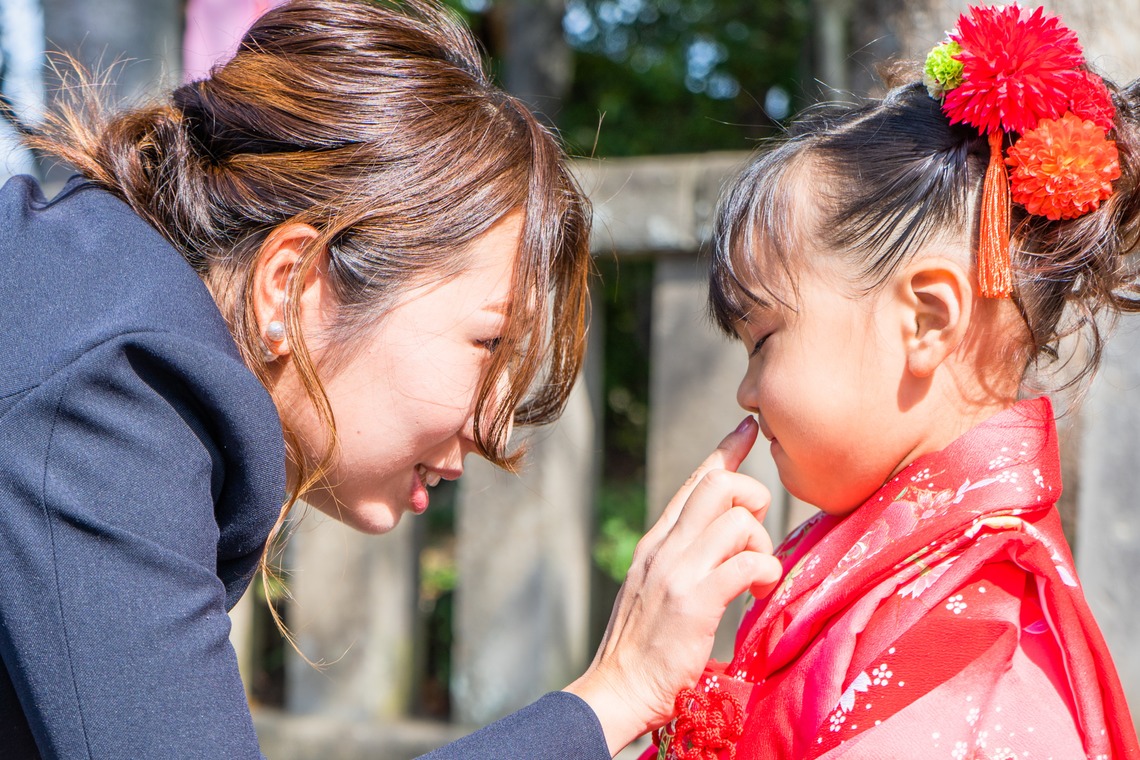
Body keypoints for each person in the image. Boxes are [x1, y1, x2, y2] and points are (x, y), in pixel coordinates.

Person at [0, 0, 785, 757]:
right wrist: (617, 691)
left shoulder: (89, 308)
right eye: (488, 342)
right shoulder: (109, 394)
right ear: (292, 283)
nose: (492, 427)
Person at [647, 4, 1140, 759]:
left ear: (926, 320)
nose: (746, 393)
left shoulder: (970, 663)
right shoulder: (912, 582)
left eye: (763, 340)